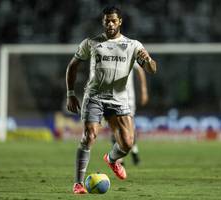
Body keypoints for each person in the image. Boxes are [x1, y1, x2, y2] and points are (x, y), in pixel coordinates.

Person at [66, 6, 157, 194]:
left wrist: (148, 60)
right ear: (103, 22)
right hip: (94, 97)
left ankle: (112, 159)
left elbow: (152, 69)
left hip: (119, 100)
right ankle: (78, 183)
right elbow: (72, 66)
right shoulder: (91, 43)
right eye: (107, 20)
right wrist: (70, 93)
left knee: (127, 143)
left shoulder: (133, 45)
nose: (110, 24)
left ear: (120, 22)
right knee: (89, 136)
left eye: (113, 20)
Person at [109, 62, 148, 166]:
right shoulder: (107, 51)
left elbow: (140, 69)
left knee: (129, 129)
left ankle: (134, 151)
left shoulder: (128, 49)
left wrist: (143, 90)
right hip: (112, 96)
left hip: (128, 98)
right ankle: (119, 159)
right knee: (116, 127)